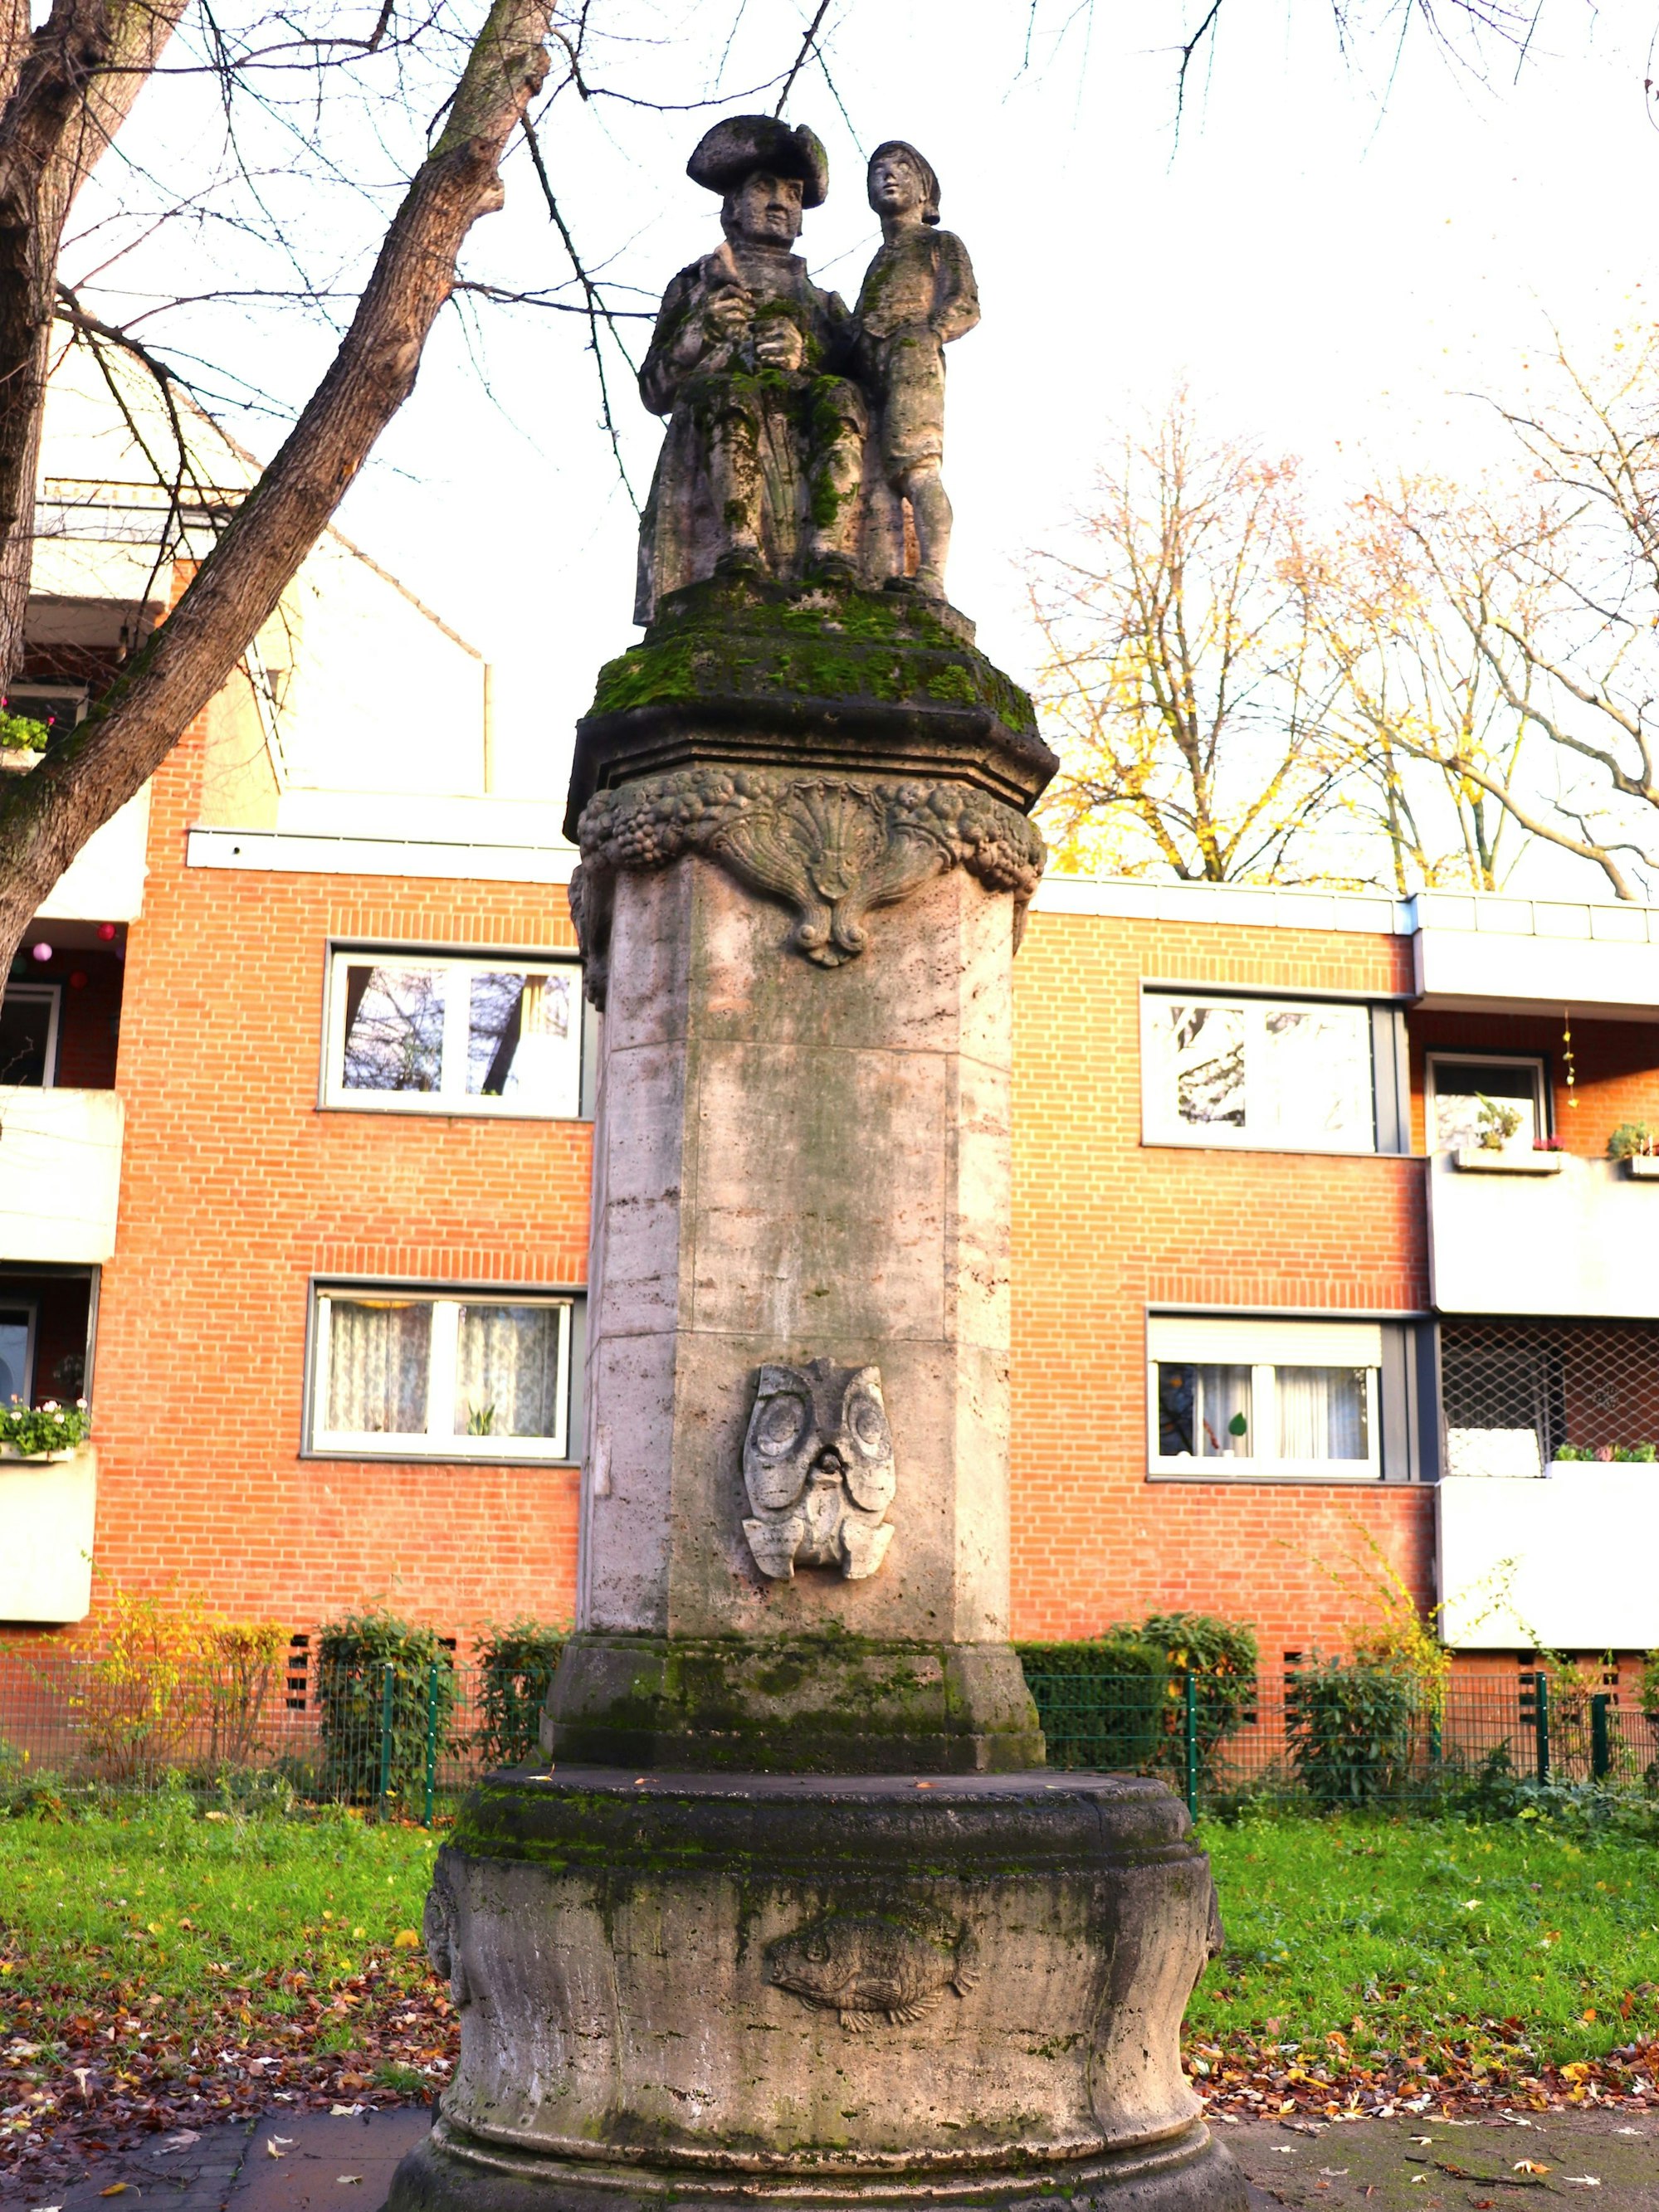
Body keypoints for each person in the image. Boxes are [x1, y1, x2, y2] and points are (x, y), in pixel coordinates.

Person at [634, 116, 866, 622]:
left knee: (842, 400)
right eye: (764, 187)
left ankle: (830, 550)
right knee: (730, 393)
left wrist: (806, 354)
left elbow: (871, 380)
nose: (781, 202)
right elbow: (654, 390)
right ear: (731, 206)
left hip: (804, 428)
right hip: (721, 419)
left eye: (794, 192)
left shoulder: (825, 304)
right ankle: (739, 545)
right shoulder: (694, 286)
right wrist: (702, 333)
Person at [854, 141, 979, 600]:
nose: (887, 176)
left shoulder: (938, 244)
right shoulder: (878, 260)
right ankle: (881, 569)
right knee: (874, 472)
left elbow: (965, 304)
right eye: (877, 170)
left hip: (912, 358)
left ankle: (931, 575)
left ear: (924, 189)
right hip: (870, 365)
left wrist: (930, 334)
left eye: (901, 167)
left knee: (917, 469)